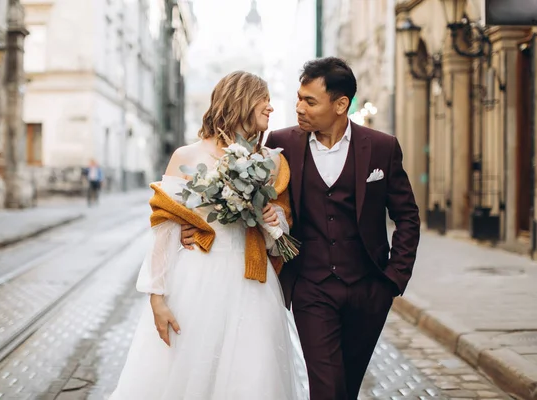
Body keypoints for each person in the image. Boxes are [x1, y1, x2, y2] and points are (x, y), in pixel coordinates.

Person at [181, 58, 421, 400]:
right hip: (311, 287)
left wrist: (394, 278)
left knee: (347, 387)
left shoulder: (381, 147)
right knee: (326, 386)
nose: (298, 107)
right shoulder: (279, 145)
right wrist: (195, 229)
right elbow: (230, 188)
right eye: (298, 98)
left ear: (340, 105)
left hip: (369, 288)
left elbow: (407, 216)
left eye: (309, 101)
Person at [109, 71, 309, 400]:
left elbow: (279, 229)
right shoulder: (187, 157)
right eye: (264, 99)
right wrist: (156, 296)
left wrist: (277, 222)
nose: (271, 108)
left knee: (252, 377)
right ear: (241, 100)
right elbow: (165, 228)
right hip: (197, 279)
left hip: (254, 285)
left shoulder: (270, 162)